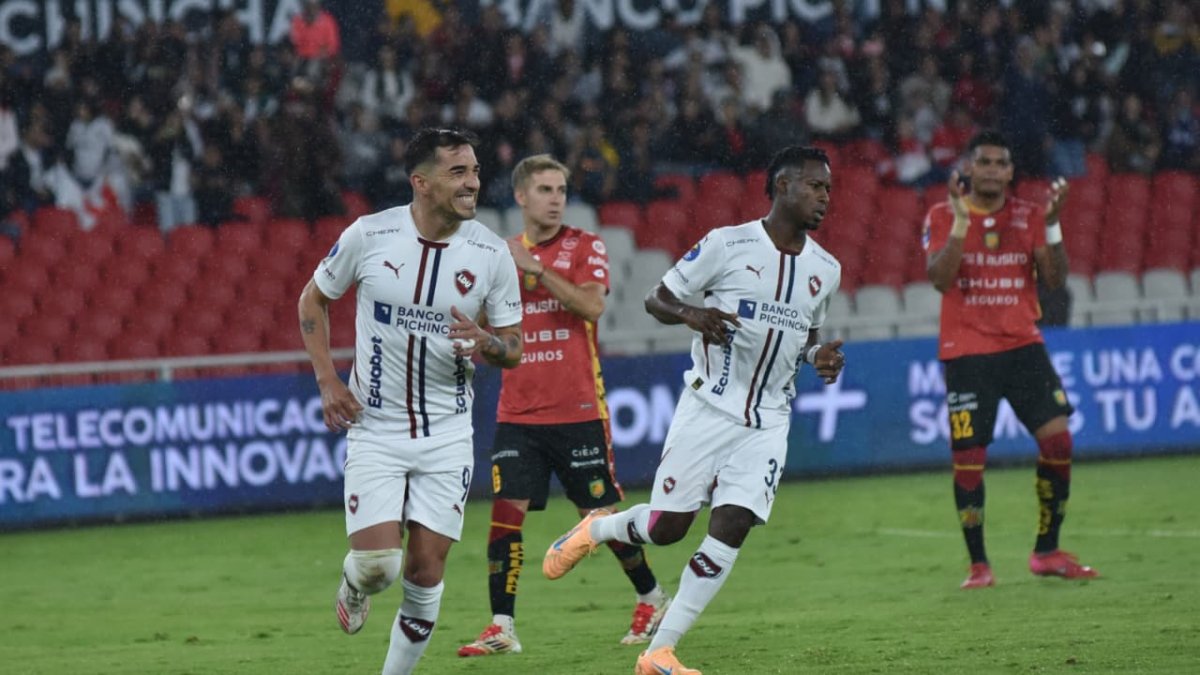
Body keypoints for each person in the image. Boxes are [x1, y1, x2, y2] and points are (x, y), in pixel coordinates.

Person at [542, 146, 846, 675]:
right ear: (782, 187)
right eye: (815, 186)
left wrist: (817, 356)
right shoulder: (727, 245)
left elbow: (804, 340)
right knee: (666, 529)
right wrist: (693, 315)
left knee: (733, 523)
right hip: (708, 408)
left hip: (769, 420)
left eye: (828, 188)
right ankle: (596, 530)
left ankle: (660, 650)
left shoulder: (826, 269)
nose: (825, 196)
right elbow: (656, 299)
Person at [297, 127, 523, 674]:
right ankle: (355, 584)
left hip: (447, 432)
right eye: (458, 173)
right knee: (379, 567)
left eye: (474, 171)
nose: (473, 183)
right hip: (376, 425)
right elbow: (314, 299)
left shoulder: (491, 252)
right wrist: (329, 380)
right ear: (420, 182)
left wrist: (489, 343)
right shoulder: (369, 236)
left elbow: (513, 347)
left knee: (424, 573)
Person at [457, 155, 670, 658]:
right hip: (517, 413)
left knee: (597, 518)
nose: (556, 198)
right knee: (504, 516)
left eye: (561, 189)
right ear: (521, 197)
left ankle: (651, 596)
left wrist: (537, 270)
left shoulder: (584, 245)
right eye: (546, 189)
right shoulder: (497, 255)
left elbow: (593, 306)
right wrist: (477, 338)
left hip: (577, 410)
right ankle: (501, 626)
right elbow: (489, 327)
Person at [922, 129, 1098, 590]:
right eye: (985, 162)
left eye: (1001, 163)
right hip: (967, 354)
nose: (994, 171)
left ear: (1011, 172)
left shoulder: (1030, 216)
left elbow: (1055, 280)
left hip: (1023, 348)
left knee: (1059, 444)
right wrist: (962, 223)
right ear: (969, 168)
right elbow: (940, 279)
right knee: (969, 458)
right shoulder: (942, 214)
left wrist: (1055, 225)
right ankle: (979, 564)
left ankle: (1047, 551)